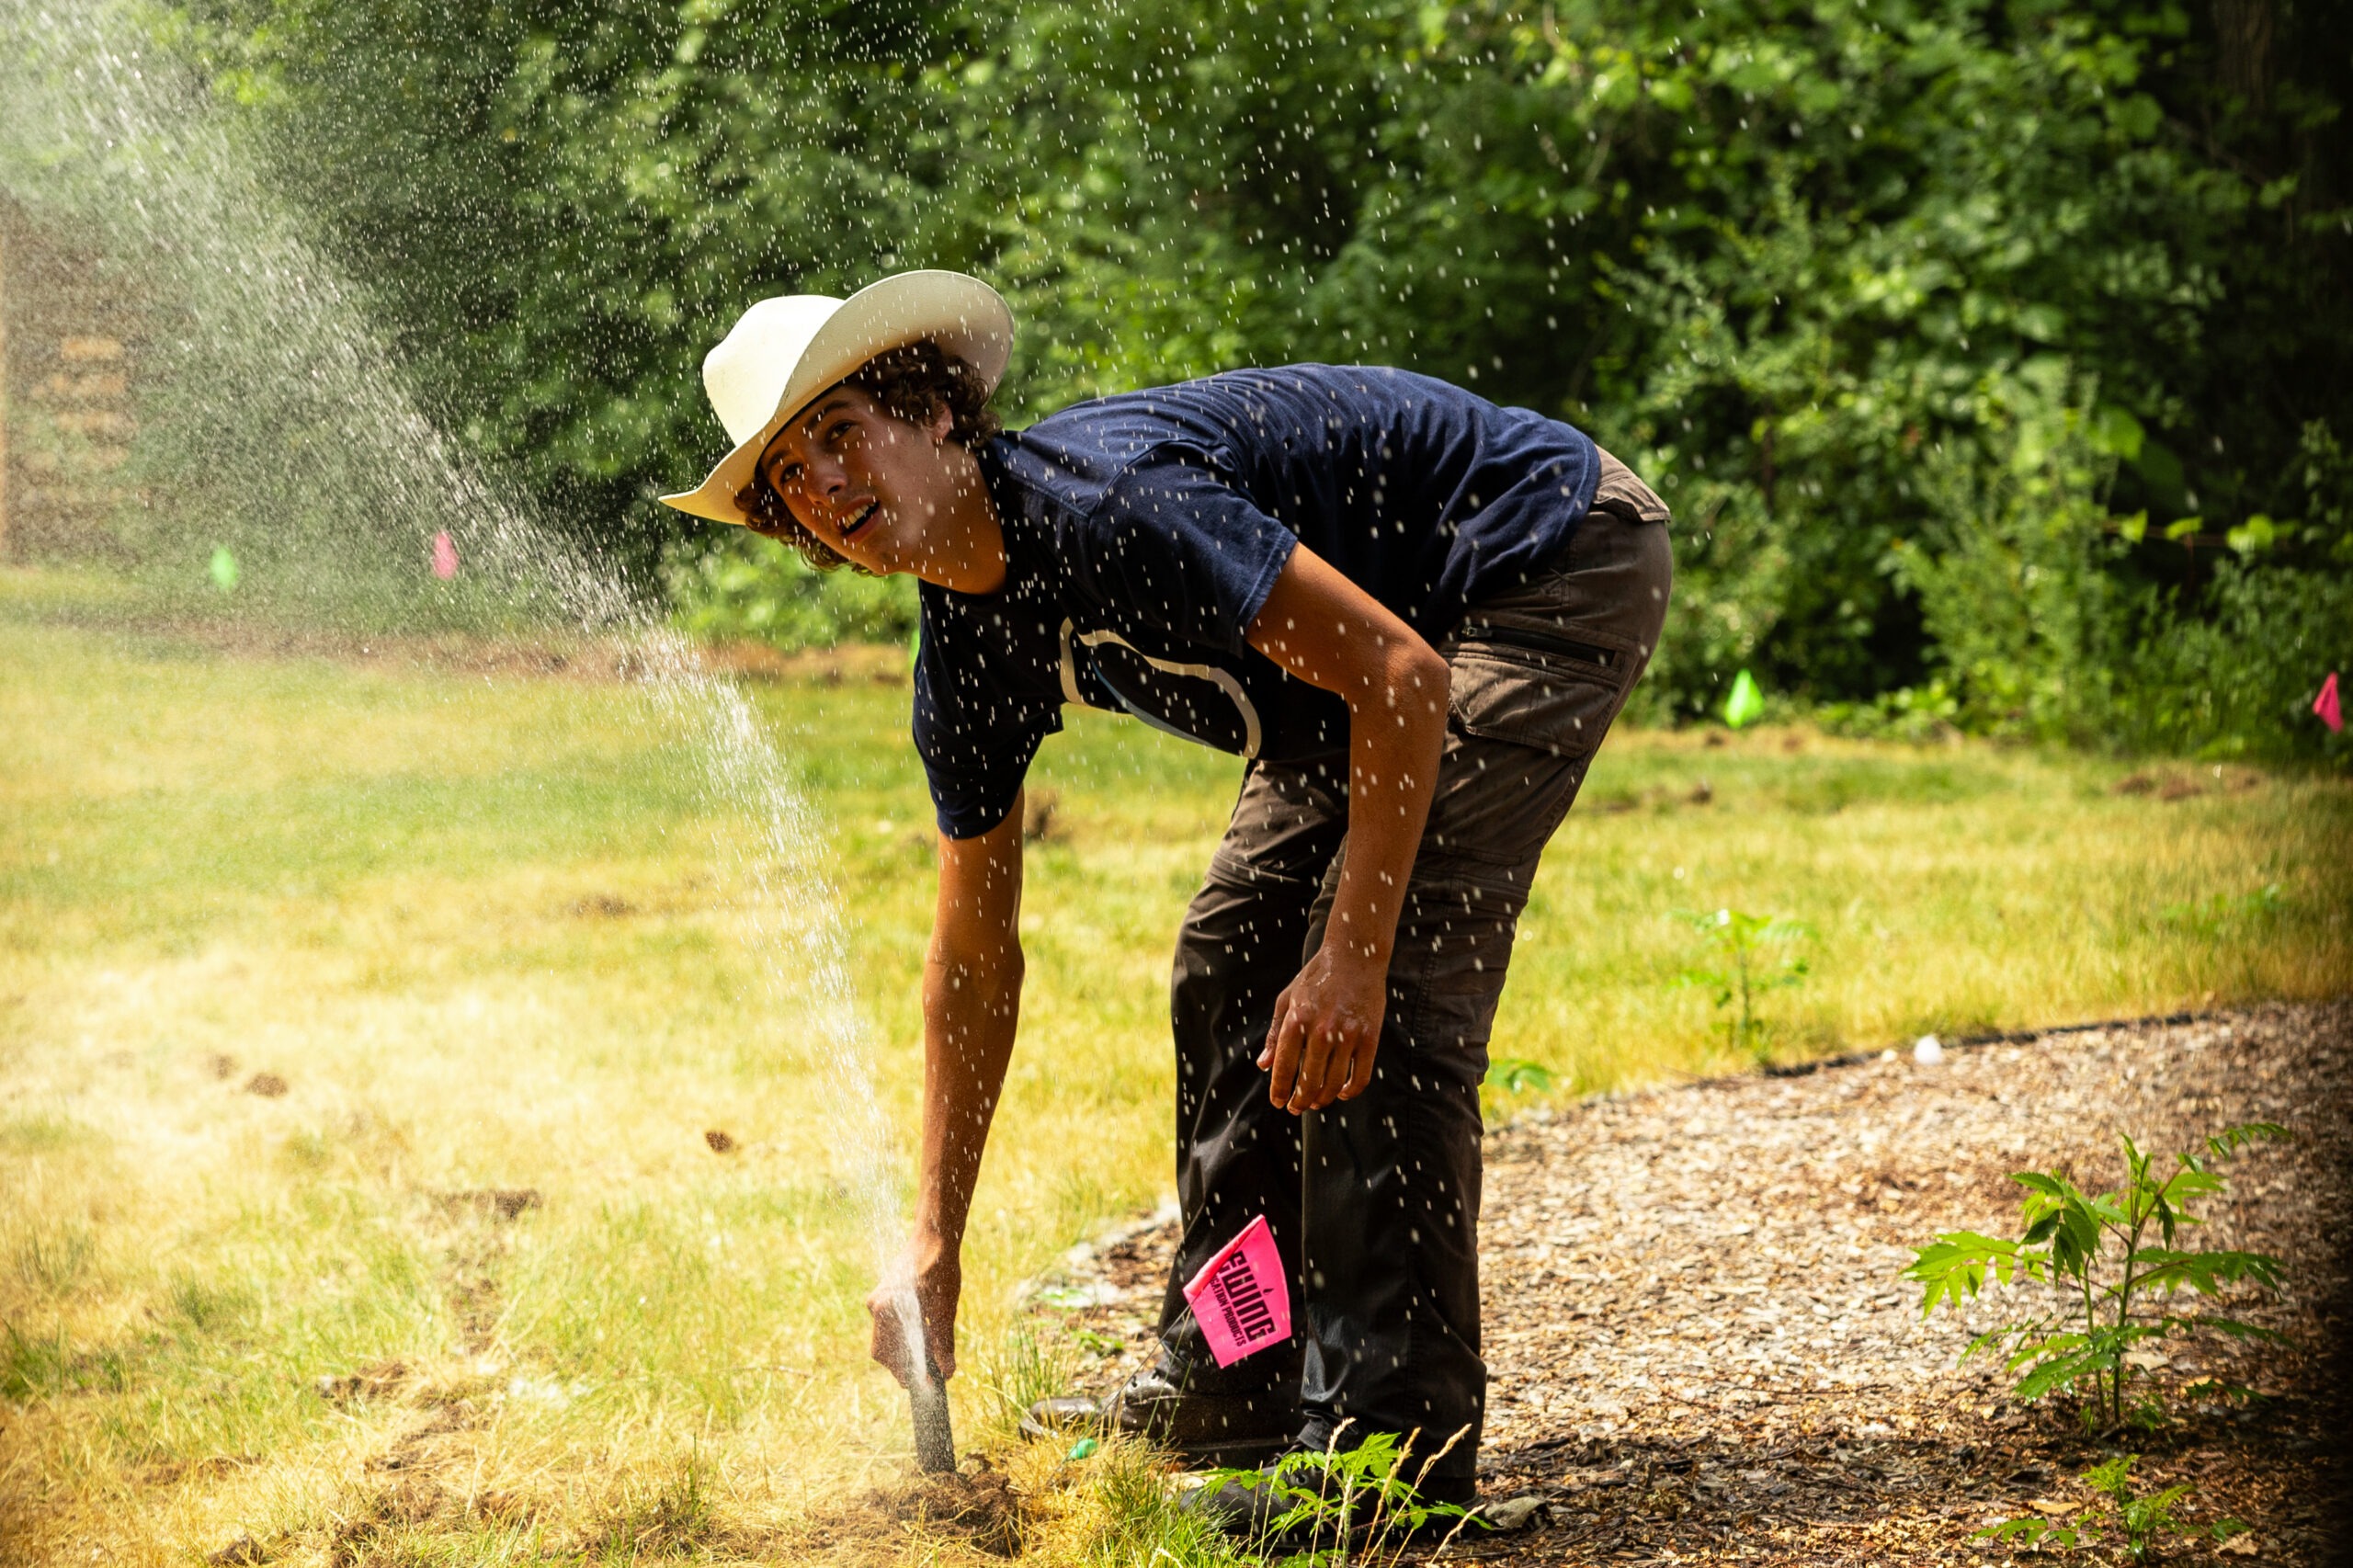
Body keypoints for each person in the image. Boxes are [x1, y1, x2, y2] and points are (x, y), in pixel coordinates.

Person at [662, 270, 1671, 1517]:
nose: (826, 487)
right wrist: (936, 1235)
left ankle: (1389, 1461)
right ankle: (1239, 1371)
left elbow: (1403, 680)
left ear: (931, 413)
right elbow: (972, 965)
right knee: (1231, 967)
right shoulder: (964, 657)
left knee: (1380, 1002)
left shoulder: (1113, 511)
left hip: (1536, 555)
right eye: (791, 480)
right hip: (1361, 670)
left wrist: (1355, 957)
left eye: (839, 432)